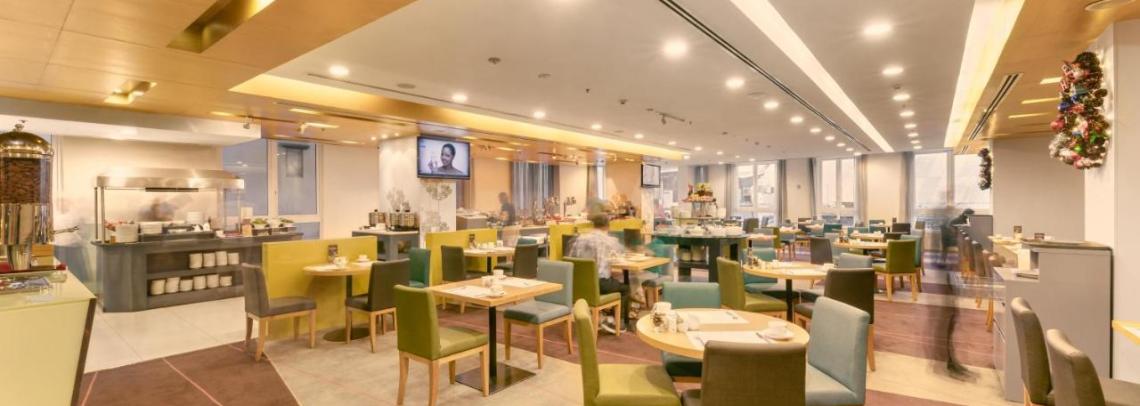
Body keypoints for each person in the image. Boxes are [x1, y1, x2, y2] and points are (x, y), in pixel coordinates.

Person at [567, 214, 629, 333]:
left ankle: (603, 316)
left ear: (593, 224)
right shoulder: (610, 241)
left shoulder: (579, 238)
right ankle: (616, 322)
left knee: (611, 280)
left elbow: (570, 258)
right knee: (625, 289)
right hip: (599, 284)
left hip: (578, 285)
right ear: (608, 226)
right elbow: (622, 253)